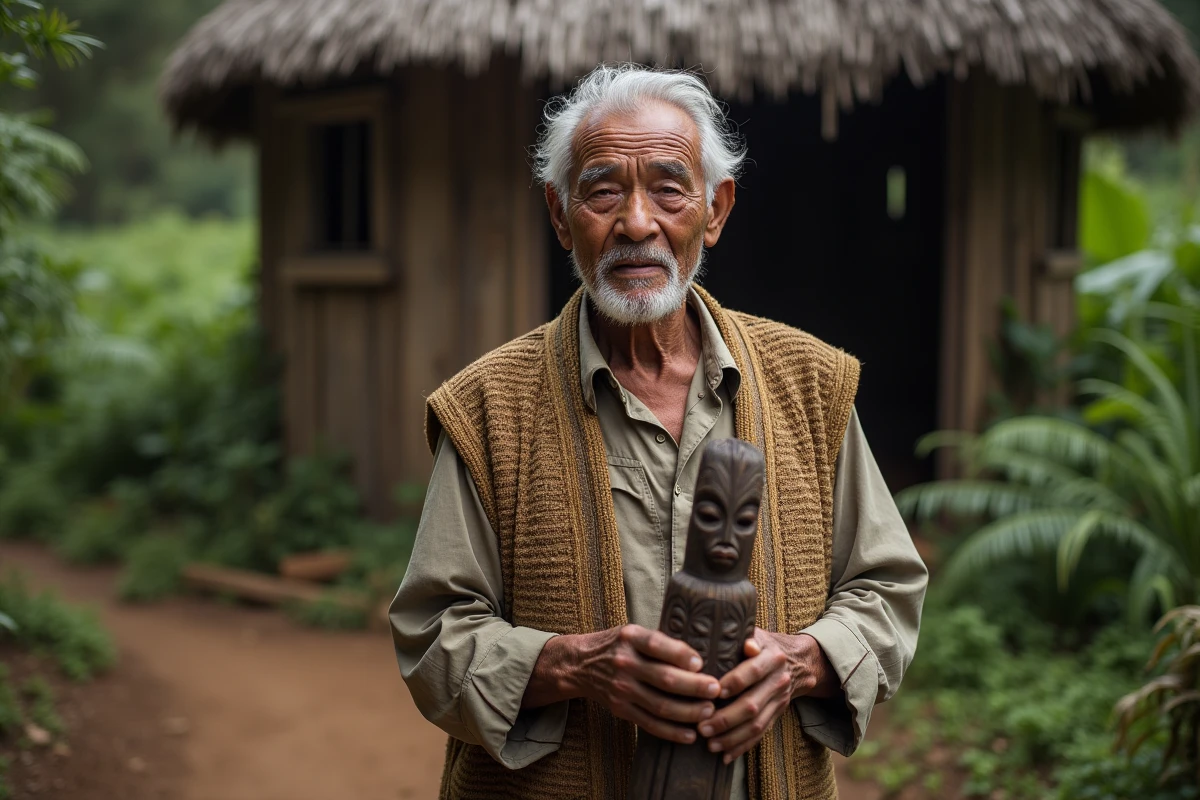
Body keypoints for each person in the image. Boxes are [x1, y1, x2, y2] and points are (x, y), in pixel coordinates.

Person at [389, 63, 928, 800]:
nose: (636, 223)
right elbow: (431, 634)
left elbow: (886, 586)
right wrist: (574, 665)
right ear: (558, 213)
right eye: (603, 189)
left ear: (716, 209)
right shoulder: (489, 407)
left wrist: (803, 660)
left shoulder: (810, 384)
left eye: (670, 188)